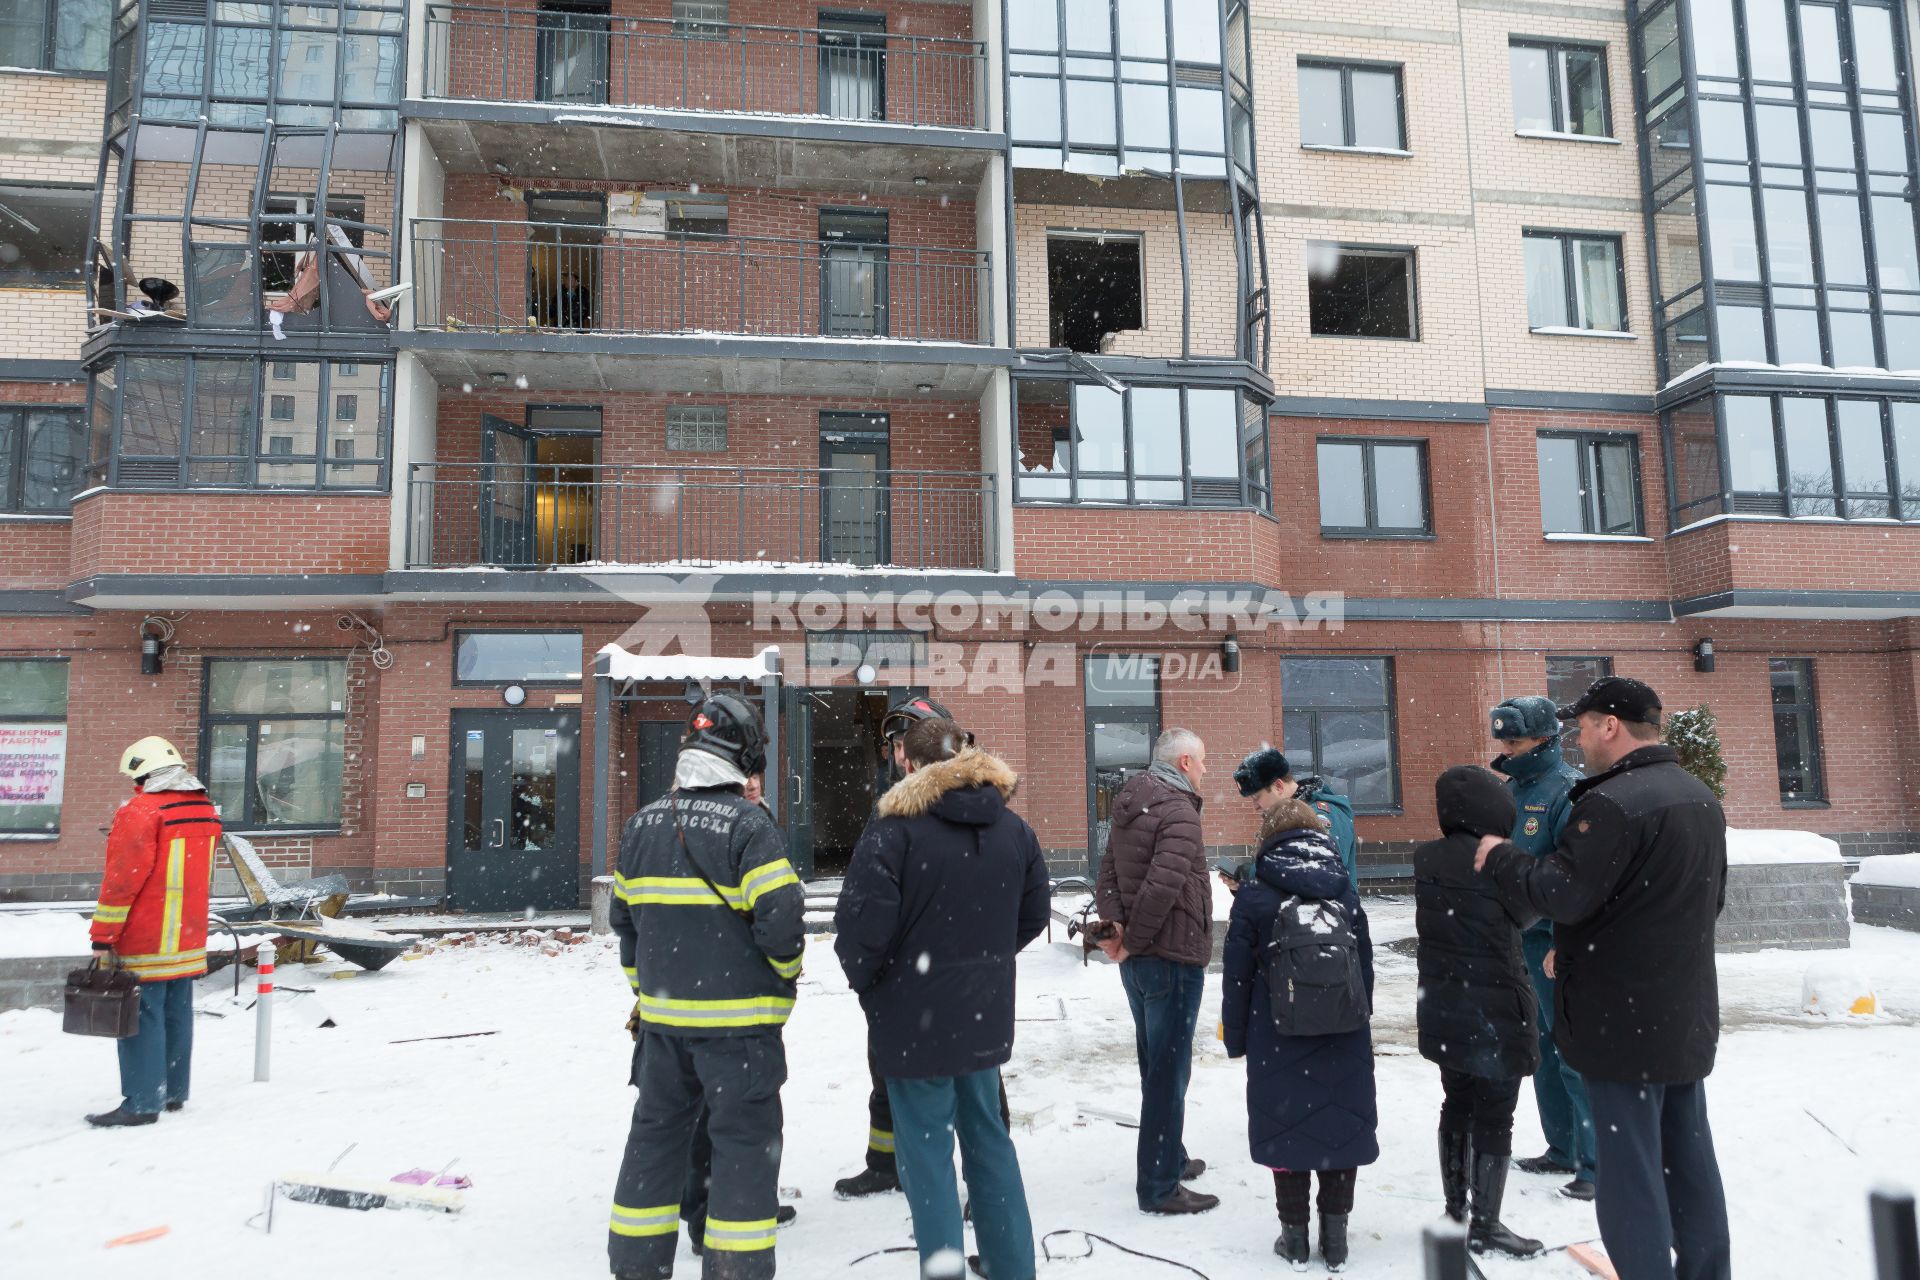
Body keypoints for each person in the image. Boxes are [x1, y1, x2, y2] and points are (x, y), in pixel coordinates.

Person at [1476, 677, 1731, 1280]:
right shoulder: (1697, 796)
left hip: (1622, 1024)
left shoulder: (1612, 802)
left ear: (1610, 726)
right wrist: (1591, 944)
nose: (1579, 738)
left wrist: (1503, 855)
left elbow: (1562, 892)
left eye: (1585, 726)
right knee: (1689, 1162)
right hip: (1683, 1013)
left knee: (1630, 1174)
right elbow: (1700, 902)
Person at [835, 718, 1050, 1280]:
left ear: (909, 763)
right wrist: (982, 962)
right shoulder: (1014, 829)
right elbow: (1030, 918)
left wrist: (878, 985)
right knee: (989, 1141)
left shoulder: (892, 832)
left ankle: (945, 1270)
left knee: (927, 1158)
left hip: (914, 1023)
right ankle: (1012, 1267)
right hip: (981, 1016)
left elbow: (860, 935)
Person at [608, 694, 805, 1280]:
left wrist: (652, 991)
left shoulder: (641, 824)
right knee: (743, 1149)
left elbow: (625, 927)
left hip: (663, 1031)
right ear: (743, 759)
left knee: (655, 1139)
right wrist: (785, 978)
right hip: (740, 1035)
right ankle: (735, 1269)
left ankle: (637, 1266)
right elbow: (783, 922)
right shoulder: (750, 825)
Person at [1221, 790, 1377, 1272]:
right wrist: (1358, 1019)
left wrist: (1236, 1039)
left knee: (1286, 1130)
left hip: (1277, 1033)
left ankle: (1293, 1239)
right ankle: (1337, 1239)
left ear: (1268, 838)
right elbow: (1365, 969)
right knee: (1339, 1129)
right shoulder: (1344, 890)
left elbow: (1237, 974)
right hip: (1343, 1029)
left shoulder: (1254, 895)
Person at [833, 695, 975, 1200]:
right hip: (896, 979)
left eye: (905, 742)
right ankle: (885, 1162)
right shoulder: (887, 807)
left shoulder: (971, 803)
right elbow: (864, 902)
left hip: (957, 979)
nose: (898, 754)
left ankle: (984, 1186)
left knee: (975, 1085)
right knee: (886, 1070)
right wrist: (869, 972)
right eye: (892, 744)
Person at [1415, 765, 1542, 1258]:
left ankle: (1455, 1210)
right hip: (1497, 1009)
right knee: (1496, 1116)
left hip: (1447, 1005)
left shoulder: (1428, 857)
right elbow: (1532, 912)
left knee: (1456, 1102)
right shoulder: (1501, 861)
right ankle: (1487, 1224)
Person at [1093, 728, 1216, 1215]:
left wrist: (1118, 936)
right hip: (1171, 959)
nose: (1206, 770)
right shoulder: (1179, 810)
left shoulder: (1131, 802)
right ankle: (1160, 1185)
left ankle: (1170, 1155)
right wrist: (1132, 941)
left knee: (1157, 1065)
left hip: (1143, 962)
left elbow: (1107, 874)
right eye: (1202, 762)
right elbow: (1161, 889)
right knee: (1168, 1071)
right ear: (1184, 762)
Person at [1489, 695, 1597, 1201]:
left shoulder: (1569, 793)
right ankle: (1563, 1146)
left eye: (1515, 740)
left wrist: (1562, 939)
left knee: (1575, 1051)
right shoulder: (1512, 789)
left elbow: (1580, 878)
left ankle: (1596, 1162)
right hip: (1520, 942)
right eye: (1502, 740)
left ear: (1545, 739)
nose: (1507, 749)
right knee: (1544, 1051)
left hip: (1555, 944)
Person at [84, 736, 223, 1128]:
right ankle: (174, 1091)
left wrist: (103, 936)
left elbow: (121, 882)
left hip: (147, 934)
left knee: (140, 1016)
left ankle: (143, 1102)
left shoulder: (141, 812)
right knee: (177, 1012)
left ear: (142, 774)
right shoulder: (205, 811)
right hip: (188, 934)